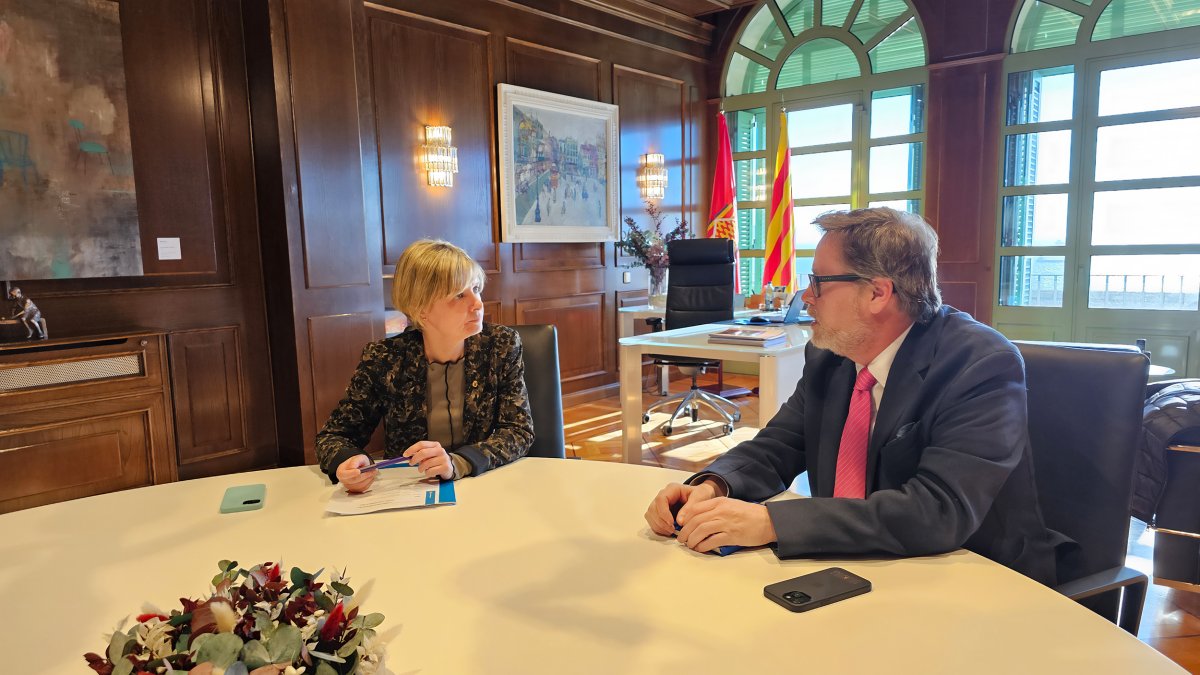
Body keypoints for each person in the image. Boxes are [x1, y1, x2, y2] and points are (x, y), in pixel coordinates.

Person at [644, 207, 1063, 585]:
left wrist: (771, 522)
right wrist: (715, 485)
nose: (806, 298)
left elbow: (938, 510)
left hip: (975, 577)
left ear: (878, 293)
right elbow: (780, 444)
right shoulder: (834, 353)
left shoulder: (979, 363)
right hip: (851, 569)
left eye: (818, 283)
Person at [316, 239, 534, 491]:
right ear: (421, 310)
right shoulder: (385, 358)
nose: (477, 304)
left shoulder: (501, 345)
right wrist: (348, 461)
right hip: (412, 492)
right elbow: (334, 436)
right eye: (459, 295)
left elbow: (518, 431)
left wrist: (458, 462)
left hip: (484, 485)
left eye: (476, 288)